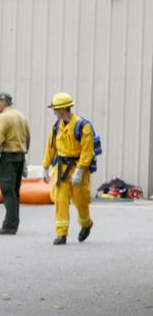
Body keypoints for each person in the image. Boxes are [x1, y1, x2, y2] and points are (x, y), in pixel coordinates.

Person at [41, 92, 94, 245]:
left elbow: (87, 151)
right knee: (60, 199)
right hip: (61, 168)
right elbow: (51, 148)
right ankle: (61, 234)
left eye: (55, 110)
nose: (54, 113)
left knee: (80, 200)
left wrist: (80, 170)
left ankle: (86, 224)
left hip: (78, 168)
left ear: (63, 110)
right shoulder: (56, 126)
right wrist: (45, 167)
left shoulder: (82, 126)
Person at [0, 93, 31, 235]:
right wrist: (24, 153)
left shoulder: (4, 118)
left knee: (8, 191)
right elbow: (28, 137)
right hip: (20, 157)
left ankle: (9, 225)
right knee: (15, 192)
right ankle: (13, 223)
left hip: (8, 158)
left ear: (4, 102)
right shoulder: (21, 116)